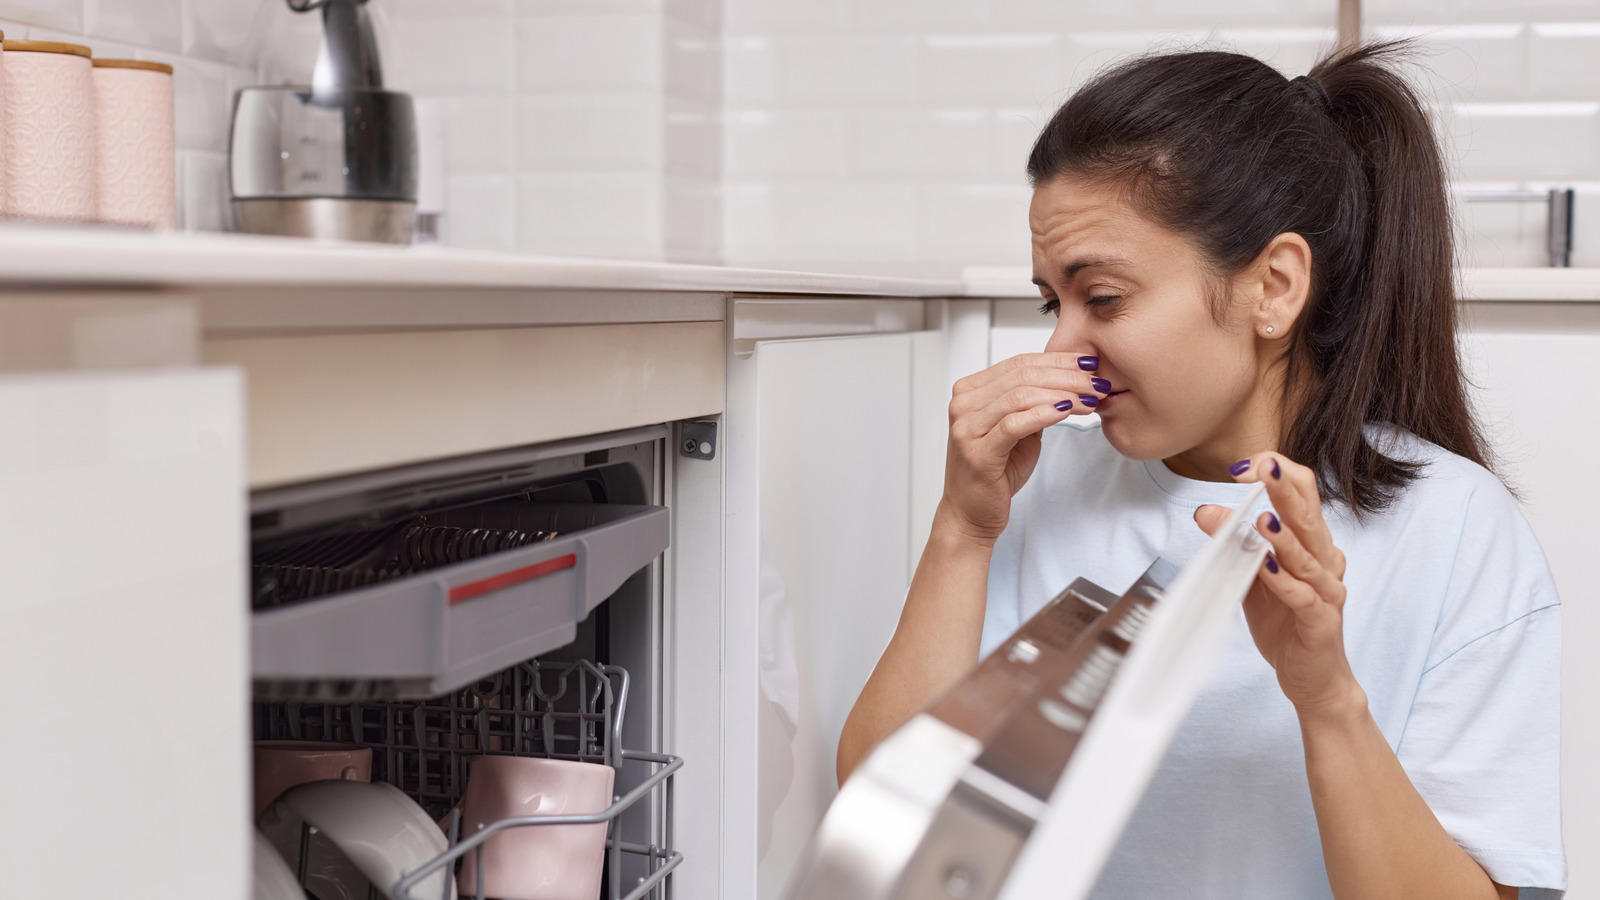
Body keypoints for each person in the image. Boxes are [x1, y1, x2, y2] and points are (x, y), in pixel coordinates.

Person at [836, 41, 1566, 900]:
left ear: (1274, 288)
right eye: (1051, 302)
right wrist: (963, 530)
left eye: (1102, 298)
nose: (1061, 347)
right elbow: (885, 834)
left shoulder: (1455, 531)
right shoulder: (1037, 489)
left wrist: (1325, 698)